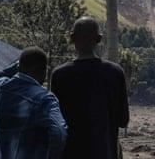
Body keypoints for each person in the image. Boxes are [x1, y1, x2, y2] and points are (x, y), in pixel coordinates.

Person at [50, 17, 130, 159]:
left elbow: (55, 123)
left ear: (72, 38)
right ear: (99, 39)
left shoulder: (59, 75)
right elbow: (123, 120)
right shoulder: (115, 73)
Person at [0, 47, 67, 159]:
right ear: (44, 70)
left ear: (19, 68)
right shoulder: (45, 99)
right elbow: (59, 134)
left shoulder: (1, 88)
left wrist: (17, 65)